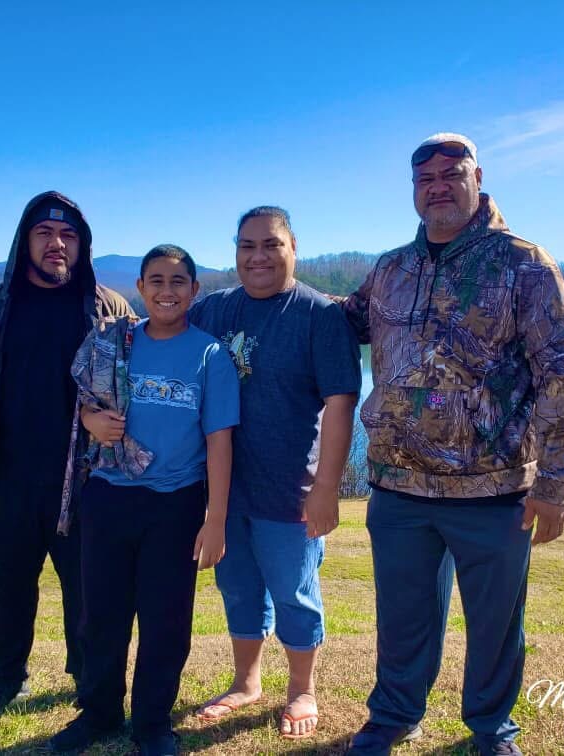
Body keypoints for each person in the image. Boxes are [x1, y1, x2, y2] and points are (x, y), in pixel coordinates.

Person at [341, 134, 564, 756]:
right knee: (402, 618)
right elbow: (342, 322)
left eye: (452, 174)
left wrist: (554, 485)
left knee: (496, 626)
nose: (438, 186)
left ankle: (491, 730)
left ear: (479, 178)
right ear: (414, 190)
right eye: (425, 178)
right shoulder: (392, 269)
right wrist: (249, 305)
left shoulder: (524, 263)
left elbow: (563, 373)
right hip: (398, 487)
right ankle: (394, 715)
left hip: (493, 489)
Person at [0, 191, 133, 724]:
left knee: (89, 591)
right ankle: (7, 678)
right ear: (25, 240)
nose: (57, 244)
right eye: (45, 234)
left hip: (86, 480)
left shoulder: (108, 308)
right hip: (1, 478)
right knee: (5, 588)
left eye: (68, 235)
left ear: (82, 244)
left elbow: (135, 387)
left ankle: (87, 680)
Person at [49, 245, 239, 756]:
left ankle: (153, 724)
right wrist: (90, 420)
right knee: (100, 615)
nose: (167, 291)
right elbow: (82, 397)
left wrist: (215, 519)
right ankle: (99, 713)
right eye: (156, 280)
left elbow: (220, 441)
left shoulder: (210, 355)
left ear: (195, 291)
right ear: (140, 286)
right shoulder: (114, 342)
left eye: (178, 282)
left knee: (166, 621)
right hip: (108, 496)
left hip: (175, 505)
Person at [190, 206, 361, 740]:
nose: (258, 256)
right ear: (235, 252)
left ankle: (301, 689)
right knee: (237, 588)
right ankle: (246, 682)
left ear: (293, 248)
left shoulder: (318, 316)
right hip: (223, 491)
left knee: (294, 592)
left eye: (271, 245)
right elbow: (161, 342)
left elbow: (340, 404)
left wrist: (327, 489)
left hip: (292, 490)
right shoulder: (213, 310)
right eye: (247, 246)